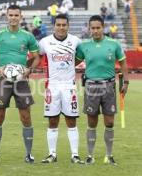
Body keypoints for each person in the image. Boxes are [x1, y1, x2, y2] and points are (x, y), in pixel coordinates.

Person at [0, 5, 40, 163]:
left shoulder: (28, 36)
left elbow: (36, 57)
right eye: (11, 15)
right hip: (3, 81)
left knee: (26, 116)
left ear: (21, 16)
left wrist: (29, 70)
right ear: (7, 16)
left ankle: (29, 154)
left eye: (16, 15)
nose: (13, 17)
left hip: (21, 81)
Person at [76, 15, 129, 165]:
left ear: (103, 27)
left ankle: (109, 155)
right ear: (89, 28)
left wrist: (126, 82)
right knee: (92, 122)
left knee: (109, 122)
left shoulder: (114, 44)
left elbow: (123, 64)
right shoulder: (84, 46)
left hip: (109, 86)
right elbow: (74, 62)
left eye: (98, 28)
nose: (95, 31)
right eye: (92, 28)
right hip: (91, 86)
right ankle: (90, 155)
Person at [38, 14, 84, 164]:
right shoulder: (45, 42)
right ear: (54, 26)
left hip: (69, 86)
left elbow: (80, 57)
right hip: (52, 86)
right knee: (52, 120)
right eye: (58, 25)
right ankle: (52, 154)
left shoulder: (76, 41)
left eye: (64, 25)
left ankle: (75, 155)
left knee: (71, 120)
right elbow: (37, 56)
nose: (61, 27)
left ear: (68, 26)